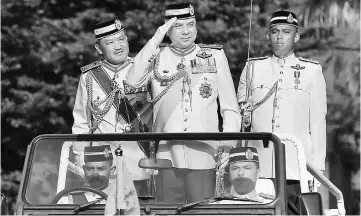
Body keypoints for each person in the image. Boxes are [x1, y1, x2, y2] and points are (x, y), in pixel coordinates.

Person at [126, 1, 241, 203]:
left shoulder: (215, 56)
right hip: (166, 156)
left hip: (205, 154)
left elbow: (230, 108)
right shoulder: (157, 56)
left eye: (191, 24)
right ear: (167, 31)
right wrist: (154, 40)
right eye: (178, 27)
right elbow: (132, 81)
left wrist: (228, 145)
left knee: (202, 213)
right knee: (167, 213)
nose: (186, 31)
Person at [237, 10, 327, 206]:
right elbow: (240, 119)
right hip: (258, 163)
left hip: (295, 165)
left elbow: (318, 124)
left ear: (296, 36)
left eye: (286, 32)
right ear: (268, 36)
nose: (280, 36)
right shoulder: (252, 68)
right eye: (275, 31)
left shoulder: (311, 71)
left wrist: (317, 168)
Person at [71, 17, 153, 192]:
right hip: (103, 168)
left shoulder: (145, 71)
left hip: (141, 164)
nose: (118, 46)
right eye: (110, 42)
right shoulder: (89, 77)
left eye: (122, 39)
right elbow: (82, 124)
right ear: (99, 49)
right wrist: (81, 161)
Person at [58, 145, 140, 215]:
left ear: (112, 170)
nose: (95, 174)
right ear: (84, 169)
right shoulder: (67, 202)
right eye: (90, 169)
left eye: (101, 169)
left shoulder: (125, 200)